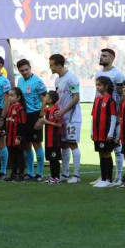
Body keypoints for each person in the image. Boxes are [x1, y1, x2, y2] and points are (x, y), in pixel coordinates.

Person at [96, 48, 125, 185]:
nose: (101, 57)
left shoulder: (118, 74)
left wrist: (120, 113)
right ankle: (105, 176)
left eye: (105, 55)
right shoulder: (98, 73)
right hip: (100, 113)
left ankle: (118, 177)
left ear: (112, 58)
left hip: (112, 114)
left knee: (115, 145)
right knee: (103, 146)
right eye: (101, 55)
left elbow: (121, 94)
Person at [50, 54, 81, 183]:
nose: (50, 67)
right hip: (61, 117)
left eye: (51, 64)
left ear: (58, 65)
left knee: (72, 144)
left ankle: (77, 175)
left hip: (72, 117)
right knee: (64, 145)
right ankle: (65, 173)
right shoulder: (57, 80)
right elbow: (58, 99)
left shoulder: (71, 78)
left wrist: (63, 111)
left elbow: (76, 97)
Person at [16, 59, 48, 180]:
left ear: (30, 67)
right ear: (19, 70)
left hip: (35, 115)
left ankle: (39, 173)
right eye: (22, 70)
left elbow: (44, 100)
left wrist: (41, 117)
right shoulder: (20, 81)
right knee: (26, 144)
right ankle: (30, 172)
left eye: (26, 69)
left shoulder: (38, 82)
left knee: (37, 143)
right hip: (24, 116)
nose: (25, 72)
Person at [91, 76, 118, 188]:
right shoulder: (97, 99)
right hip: (97, 133)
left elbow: (113, 117)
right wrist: (92, 131)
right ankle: (102, 178)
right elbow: (93, 116)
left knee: (107, 153)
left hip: (105, 132)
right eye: (96, 85)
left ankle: (109, 179)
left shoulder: (110, 100)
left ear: (106, 86)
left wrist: (111, 133)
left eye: (99, 85)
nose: (97, 87)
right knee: (101, 154)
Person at [4, 88, 27, 182]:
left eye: (12, 95)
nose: (10, 97)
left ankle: (21, 174)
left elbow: (22, 124)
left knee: (19, 155)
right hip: (9, 137)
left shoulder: (20, 108)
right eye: (9, 95)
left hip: (16, 137)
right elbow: (8, 122)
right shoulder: (10, 107)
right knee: (12, 156)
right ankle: (13, 174)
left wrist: (19, 137)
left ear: (18, 97)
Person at [40, 91, 63, 184]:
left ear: (51, 99)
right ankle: (52, 177)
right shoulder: (48, 110)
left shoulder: (56, 110)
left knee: (55, 158)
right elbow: (41, 114)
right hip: (48, 138)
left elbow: (59, 125)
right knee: (50, 158)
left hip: (54, 138)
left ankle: (56, 177)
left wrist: (47, 122)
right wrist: (43, 104)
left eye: (46, 97)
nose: (44, 98)